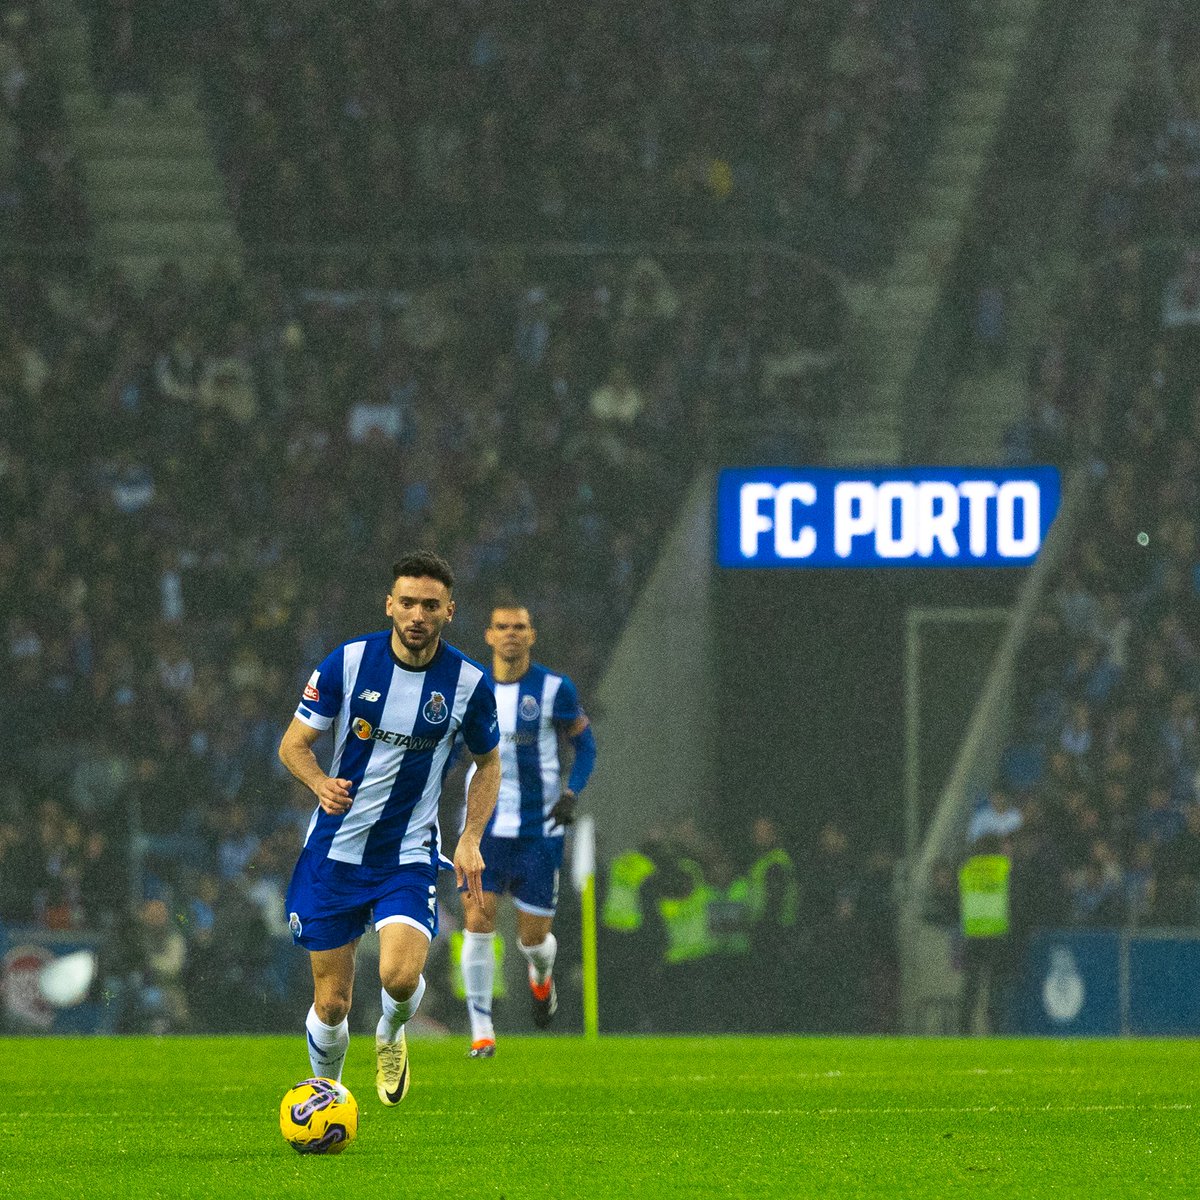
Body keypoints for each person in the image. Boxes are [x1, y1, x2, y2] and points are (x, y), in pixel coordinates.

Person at [278, 550, 500, 1106]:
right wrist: (319, 783)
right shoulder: (348, 662)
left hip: (407, 853)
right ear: (389, 605)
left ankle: (392, 1031)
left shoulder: (468, 684)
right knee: (331, 1002)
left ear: (449, 611)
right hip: (334, 851)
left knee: (398, 979)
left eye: (430, 604)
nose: (417, 614)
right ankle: (327, 1093)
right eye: (407, 602)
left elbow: (488, 762)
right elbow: (293, 746)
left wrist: (470, 836)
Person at [458, 601, 597, 1057]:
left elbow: (586, 745)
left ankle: (542, 978)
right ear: (489, 635)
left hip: (540, 831)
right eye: (502, 627)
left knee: (532, 940)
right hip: (485, 827)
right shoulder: (471, 686)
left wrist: (572, 791)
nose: (511, 634)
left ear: (531, 636)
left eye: (519, 627)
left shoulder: (556, 689)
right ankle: (481, 1029)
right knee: (478, 922)